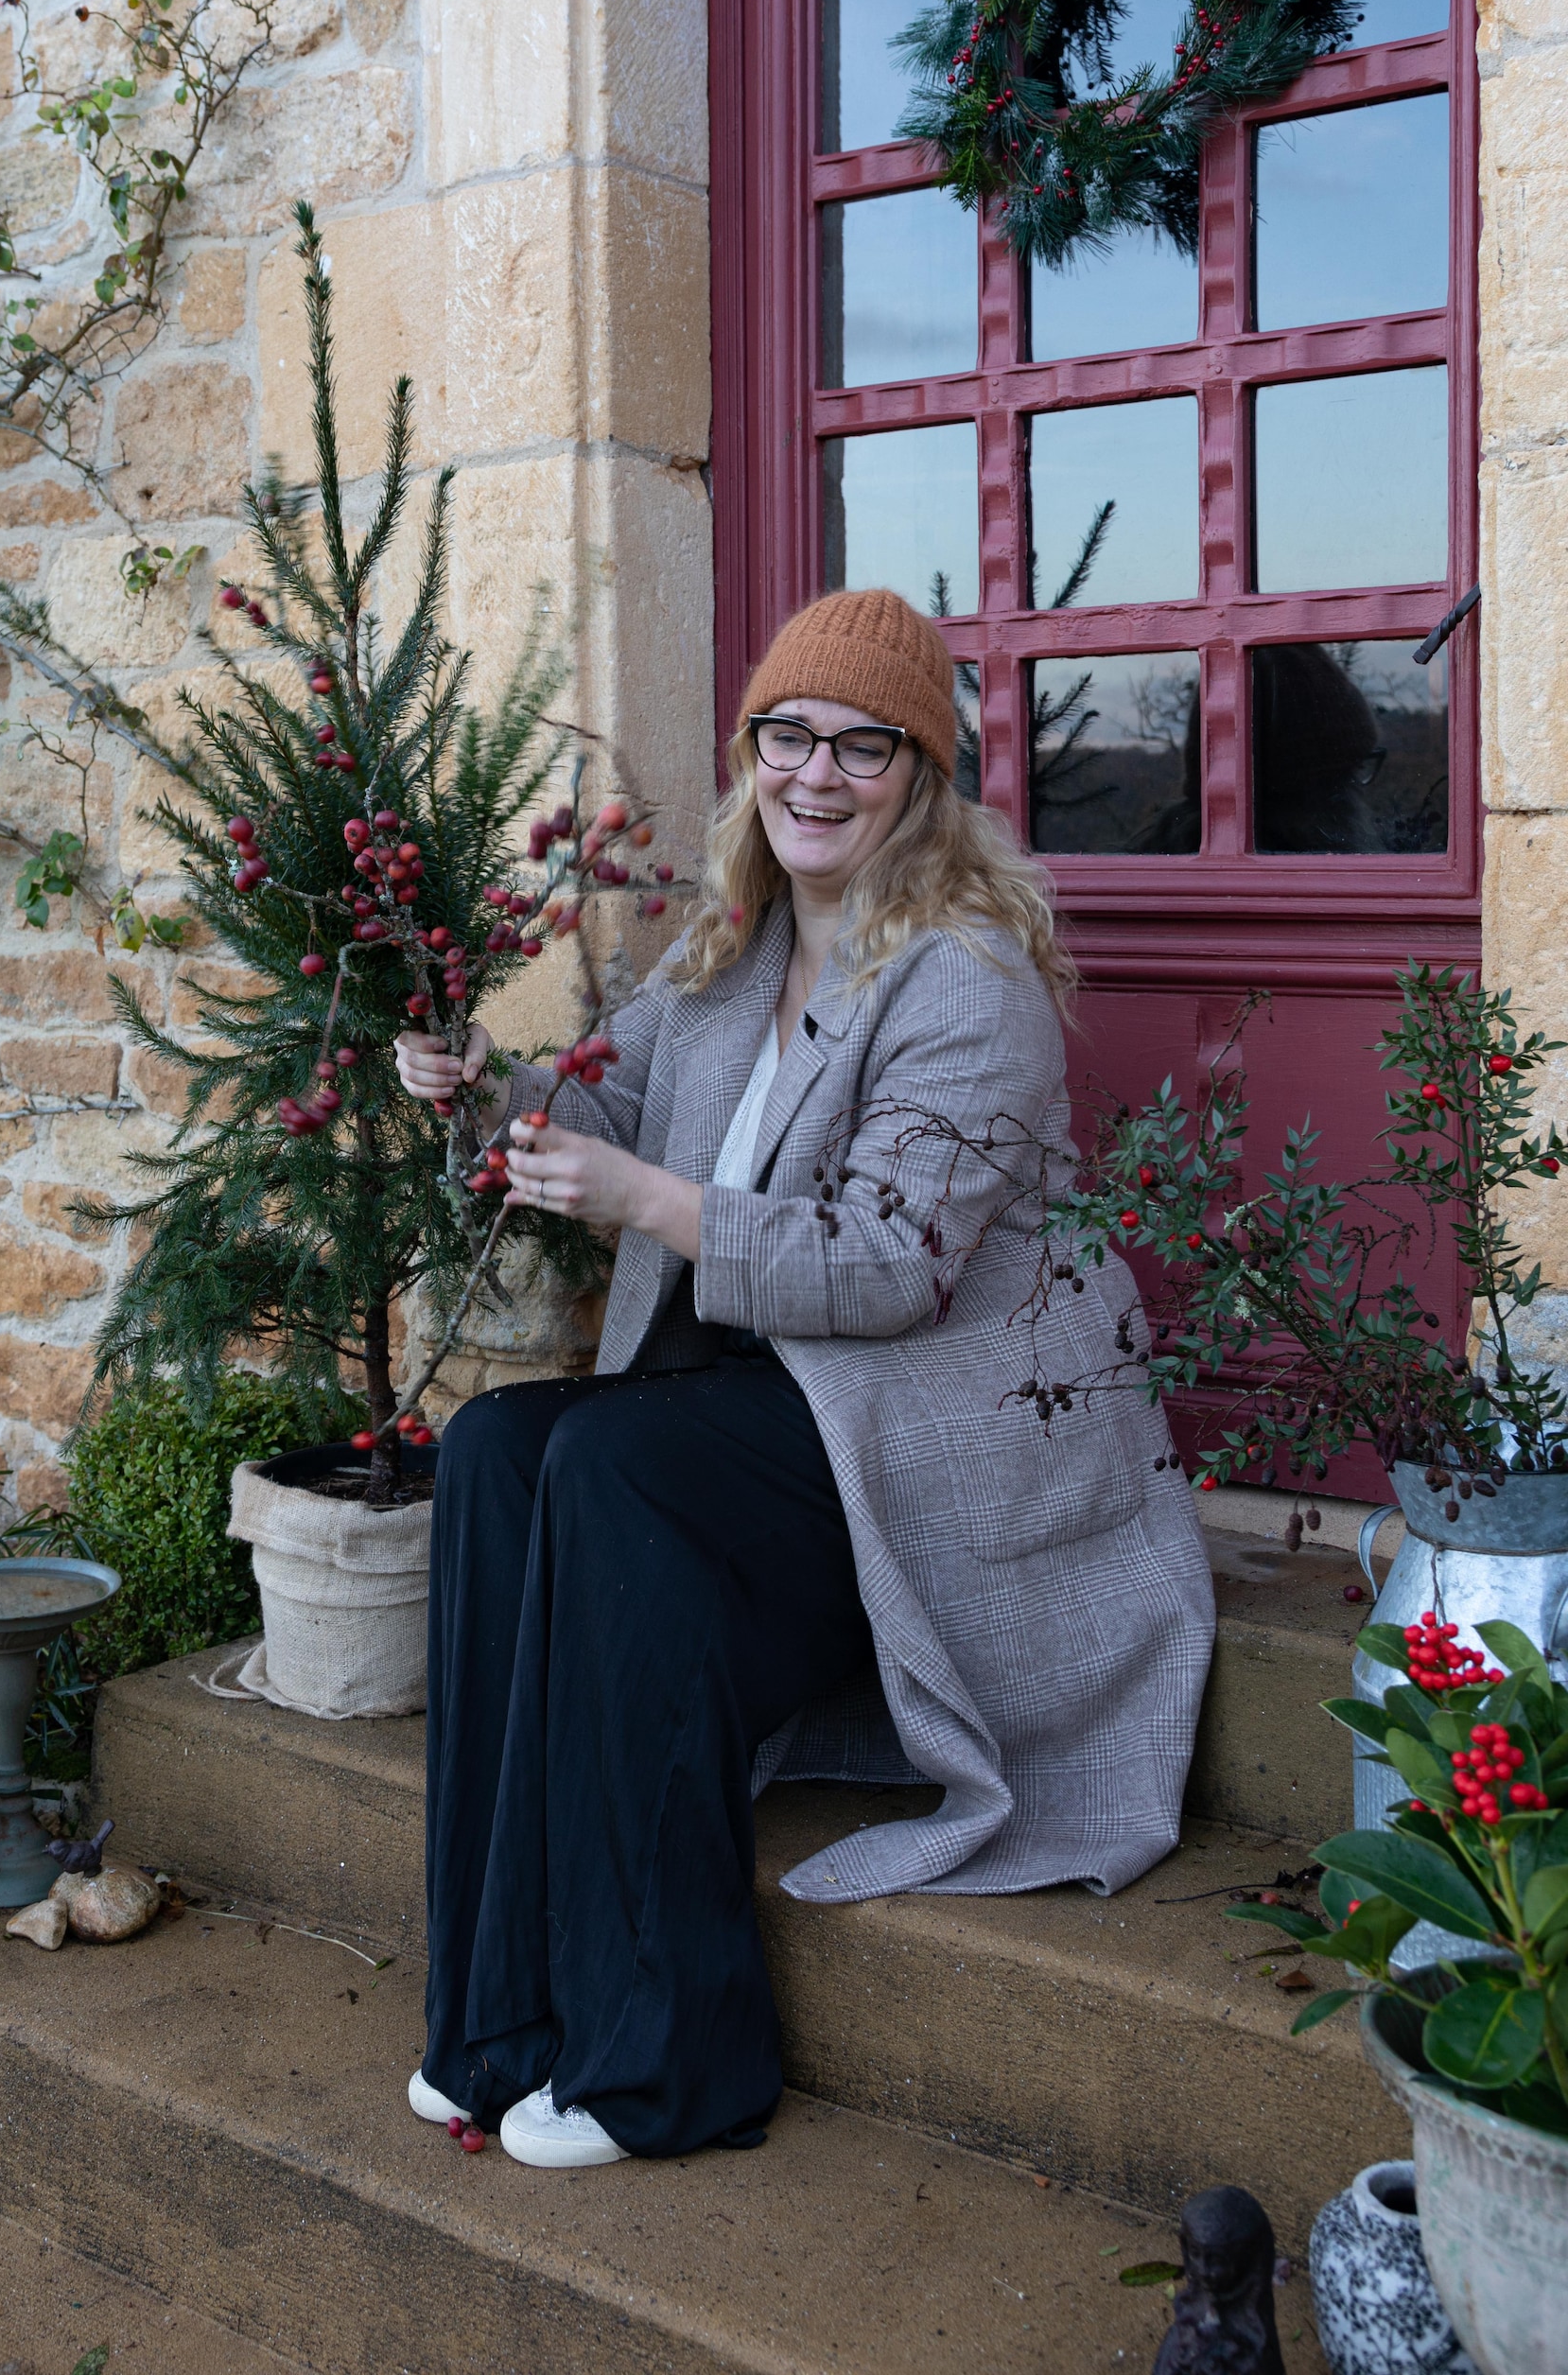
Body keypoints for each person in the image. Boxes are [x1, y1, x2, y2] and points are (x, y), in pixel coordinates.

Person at [392, 586, 1213, 2173]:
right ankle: (494, 2019)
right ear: (751, 751)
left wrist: (650, 1204)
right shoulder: (727, 956)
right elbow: (602, 1114)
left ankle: (671, 2062)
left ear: (923, 777)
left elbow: (891, 1265)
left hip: (937, 1446)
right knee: (494, 1447)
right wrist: (481, 1086)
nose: (815, 774)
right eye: (788, 735)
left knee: (615, 1465)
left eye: (862, 745)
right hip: (776, 1413)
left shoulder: (966, 977)